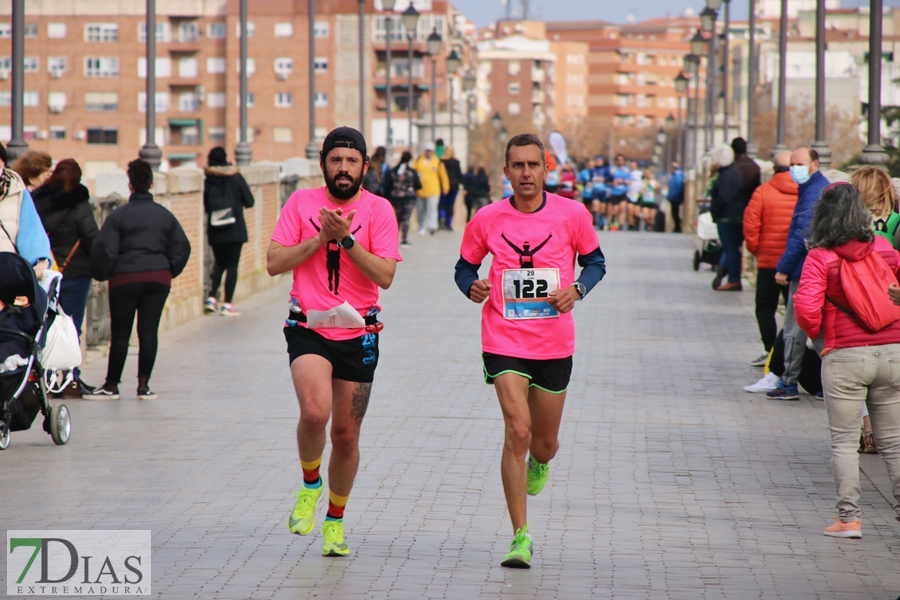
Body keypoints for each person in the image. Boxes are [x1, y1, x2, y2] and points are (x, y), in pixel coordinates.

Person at [454, 133, 606, 568]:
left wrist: (576, 290)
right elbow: (465, 267)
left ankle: (540, 461)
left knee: (545, 443)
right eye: (517, 166)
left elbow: (596, 263)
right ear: (505, 172)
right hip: (503, 339)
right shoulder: (487, 218)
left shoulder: (572, 214)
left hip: (554, 342)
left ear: (546, 169)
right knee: (516, 432)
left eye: (532, 165)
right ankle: (521, 536)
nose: (525, 173)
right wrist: (473, 287)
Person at [267, 126, 401, 558]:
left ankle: (335, 522)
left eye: (351, 161)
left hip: (359, 332)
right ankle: (310, 486)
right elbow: (273, 263)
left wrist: (345, 239)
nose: (343, 168)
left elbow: (384, 275)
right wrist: (319, 238)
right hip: (308, 327)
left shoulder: (379, 210)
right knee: (314, 410)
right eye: (335, 160)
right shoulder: (301, 203)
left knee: (345, 436)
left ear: (365, 166)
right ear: (323, 162)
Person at [792, 182, 900, 538]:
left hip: (845, 355)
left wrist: (819, 334)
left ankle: (849, 518)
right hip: (893, 351)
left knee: (844, 441)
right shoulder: (884, 248)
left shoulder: (820, 257)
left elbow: (806, 309)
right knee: (895, 442)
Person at [85, 159, 191, 401]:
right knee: (148, 331)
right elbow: (182, 246)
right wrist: (168, 269)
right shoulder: (166, 216)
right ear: (152, 183)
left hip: (125, 279)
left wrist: (103, 273)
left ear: (129, 185)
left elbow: (106, 249)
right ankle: (144, 386)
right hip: (158, 277)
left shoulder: (118, 216)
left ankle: (111, 385)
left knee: (121, 334)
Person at [32, 159, 100, 397]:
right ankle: (71, 379)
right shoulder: (80, 204)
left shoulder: (36, 201)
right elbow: (92, 237)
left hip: (43, 273)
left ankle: (45, 378)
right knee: (71, 327)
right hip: (74, 274)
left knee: (43, 325)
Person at [766, 147, 830, 400]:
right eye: (792, 164)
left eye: (799, 163)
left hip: (804, 269)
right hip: (814, 267)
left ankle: (789, 382)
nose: (794, 169)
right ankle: (829, 385)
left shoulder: (814, 191)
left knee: (795, 328)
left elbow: (802, 235)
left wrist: (783, 267)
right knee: (817, 329)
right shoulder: (817, 188)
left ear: (815, 164)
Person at [851, 165, 900, 453]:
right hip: (891, 308)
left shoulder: (849, 225)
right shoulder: (895, 222)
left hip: (859, 307)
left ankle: (869, 431)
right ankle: (883, 435)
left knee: (861, 377)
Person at [742, 151, 798, 369]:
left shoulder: (762, 191)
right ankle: (788, 353)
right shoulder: (803, 192)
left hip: (768, 261)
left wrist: (755, 249)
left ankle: (769, 349)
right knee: (793, 311)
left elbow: (751, 225)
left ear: (773, 169)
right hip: (793, 262)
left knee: (765, 306)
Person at [203, 147, 255, 317]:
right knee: (232, 265)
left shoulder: (208, 179)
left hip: (216, 227)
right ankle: (227, 304)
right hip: (235, 229)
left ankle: (211, 298)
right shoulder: (236, 176)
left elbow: (207, 206)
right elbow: (250, 201)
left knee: (219, 263)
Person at [0, 142, 52, 280]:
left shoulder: (17, 191)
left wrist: (40, 260)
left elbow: (31, 228)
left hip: (8, 270)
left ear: (3, 163)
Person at [707, 144, 746, 291]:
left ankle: (734, 280)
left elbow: (723, 197)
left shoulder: (725, 175)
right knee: (733, 249)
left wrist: (713, 209)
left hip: (727, 217)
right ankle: (727, 272)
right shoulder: (735, 172)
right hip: (736, 215)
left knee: (730, 249)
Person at [412, 142, 449, 236]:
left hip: (433, 190)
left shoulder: (437, 161)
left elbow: (443, 176)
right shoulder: (418, 160)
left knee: (432, 209)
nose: (429, 152)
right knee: (421, 210)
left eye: (430, 151)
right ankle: (422, 227)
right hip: (420, 190)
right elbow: (413, 172)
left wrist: (445, 187)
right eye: (427, 150)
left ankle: (432, 226)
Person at [389, 151, 421, 248]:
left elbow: (388, 184)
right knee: (406, 218)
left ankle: (395, 239)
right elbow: (418, 185)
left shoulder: (393, 170)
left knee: (397, 218)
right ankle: (404, 239)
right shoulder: (412, 172)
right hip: (409, 197)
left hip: (396, 197)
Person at [439, 146, 463, 231]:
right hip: (454, 185)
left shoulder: (441, 162)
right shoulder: (456, 162)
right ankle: (448, 224)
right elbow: (459, 175)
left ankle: (442, 219)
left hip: (443, 186)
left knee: (442, 204)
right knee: (451, 205)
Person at [608, 155, 630, 231]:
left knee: (623, 208)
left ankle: (621, 225)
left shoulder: (627, 170)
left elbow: (630, 182)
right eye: (618, 160)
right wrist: (613, 183)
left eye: (621, 160)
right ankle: (615, 223)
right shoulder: (612, 170)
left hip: (623, 192)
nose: (619, 161)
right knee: (615, 210)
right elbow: (607, 181)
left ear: (624, 161)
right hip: (614, 192)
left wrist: (623, 181)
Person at [591, 156, 611, 230]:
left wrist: (604, 179)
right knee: (595, 206)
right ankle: (596, 223)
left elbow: (610, 178)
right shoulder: (593, 170)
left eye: (600, 161)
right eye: (597, 160)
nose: (598, 162)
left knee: (602, 208)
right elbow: (589, 178)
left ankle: (603, 221)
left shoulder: (605, 170)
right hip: (595, 191)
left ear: (602, 162)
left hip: (603, 191)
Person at [667, 162, 684, 233]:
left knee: (675, 213)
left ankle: (677, 227)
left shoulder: (678, 176)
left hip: (675, 198)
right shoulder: (674, 175)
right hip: (673, 197)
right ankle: (677, 227)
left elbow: (679, 187)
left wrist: (674, 195)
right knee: (674, 213)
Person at [626, 160, 643, 230]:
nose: (632, 166)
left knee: (636, 212)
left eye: (634, 165)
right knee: (630, 210)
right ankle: (631, 226)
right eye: (631, 165)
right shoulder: (627, 173)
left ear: (636, 166)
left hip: (638, 194)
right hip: (630, 194)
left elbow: (644, 181)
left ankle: (636, 226)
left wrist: (643, 188)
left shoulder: (640, 173)